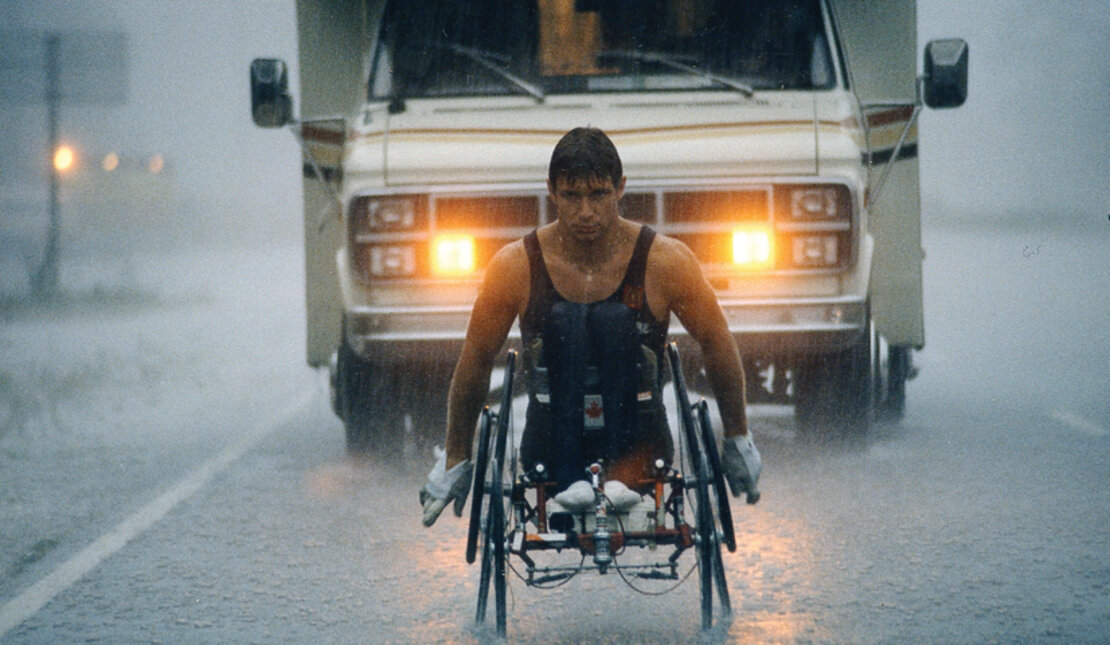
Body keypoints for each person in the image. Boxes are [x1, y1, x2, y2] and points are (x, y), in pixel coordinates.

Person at [421, 127, 760, 527]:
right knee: (567, 319)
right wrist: (457, 455)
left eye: (598, 194)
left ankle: (619, 478)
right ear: (551, 192)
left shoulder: (666, 262)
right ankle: (571, 479)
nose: (585, 211)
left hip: (641, 443)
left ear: (620, 189)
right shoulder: (515, 266)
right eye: (572, 196)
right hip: (549, 445)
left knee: (614, 319)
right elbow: (477, 358)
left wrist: (737, 438)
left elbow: (717, 342)